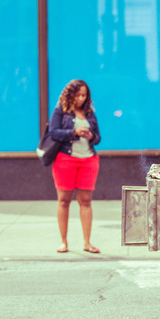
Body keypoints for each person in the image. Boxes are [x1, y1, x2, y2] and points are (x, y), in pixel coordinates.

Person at [49, 79, 101, 254]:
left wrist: (90, 135)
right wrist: (74, 132)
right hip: (66, 159)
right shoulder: (60, 111)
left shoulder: (89, 113)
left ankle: (87, 242)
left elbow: (99, 138)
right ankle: (63, 242)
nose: (81, 98)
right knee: (64, 201)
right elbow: (53, 132)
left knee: (86, 201)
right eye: (78, 94)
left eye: (84, 95)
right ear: (70, 94)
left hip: (88, 160)